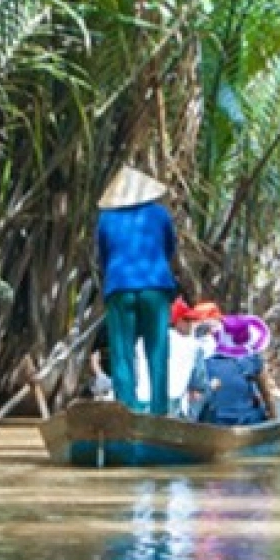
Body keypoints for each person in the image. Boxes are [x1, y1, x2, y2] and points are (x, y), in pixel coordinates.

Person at [96, 165, 180, 415]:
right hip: (155, 286)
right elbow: (169, 248)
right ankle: (159, 409)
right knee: (157, 349)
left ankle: (126, 408)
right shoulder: (160, 214)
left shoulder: (106, 219)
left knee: (122, 352)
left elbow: (103, 256)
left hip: (119, 287)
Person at [199, 313, 279, 426]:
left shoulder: (205, 359)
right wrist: (274, 421)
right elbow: (267, 396)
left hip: (214, 420)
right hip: (245, 420)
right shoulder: (252, 360)